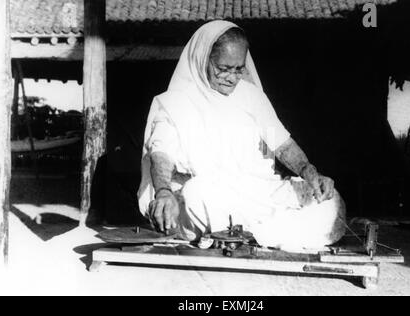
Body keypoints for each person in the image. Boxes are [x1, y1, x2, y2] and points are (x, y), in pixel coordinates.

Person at [138, 20, 345, 251]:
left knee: (330, 199)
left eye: (239, 69)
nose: (232, 77)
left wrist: (310, 173)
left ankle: (248, 233)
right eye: (223, 68)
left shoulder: (252, 96)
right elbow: (160, 154)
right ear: (202, 58)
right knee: (196, 194)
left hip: (256, 192)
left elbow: (283, 146)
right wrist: (164, 192)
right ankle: (268, 233)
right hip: (209, 196)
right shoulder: (175, 102)